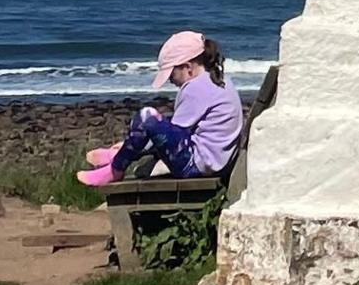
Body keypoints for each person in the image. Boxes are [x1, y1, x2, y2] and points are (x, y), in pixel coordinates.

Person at [82, 29, 248, 188]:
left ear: (188, 67)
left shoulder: (195, 88)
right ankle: (120, 153)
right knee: (162, 122)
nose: (170, 80)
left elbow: (172, 133)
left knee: (147, 117)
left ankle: (115, 169)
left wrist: (136, 146)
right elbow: (178, 130)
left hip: (197, 165)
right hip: (216, 162)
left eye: (171, 74)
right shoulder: (218, 79)